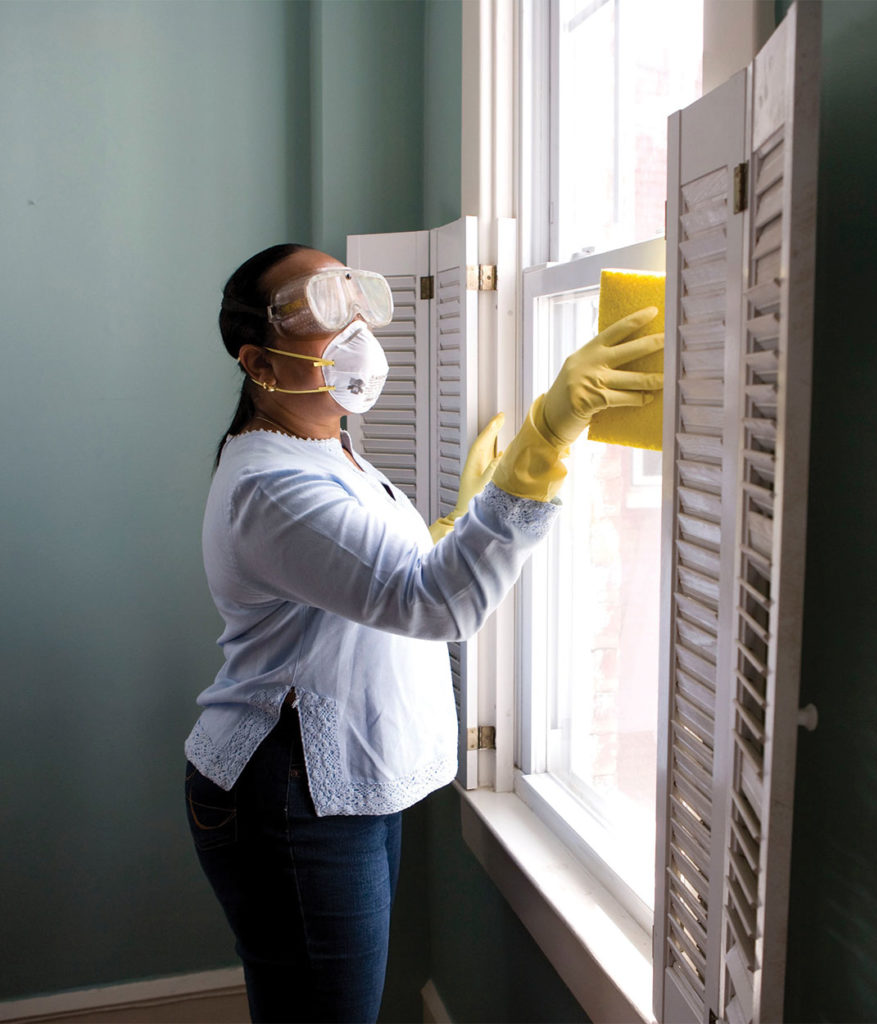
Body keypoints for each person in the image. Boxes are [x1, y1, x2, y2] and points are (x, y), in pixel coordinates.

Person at [184, 242, 663, 1023]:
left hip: (332, 784)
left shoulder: (327, 449)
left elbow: (370, 578)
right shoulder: (270, 482)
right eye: (320, 307)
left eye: (355, 293)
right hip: (288, 791)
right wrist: (545, 440)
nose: (357, 323)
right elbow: (435, 605)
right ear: (259, 362)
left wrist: (454, 521)